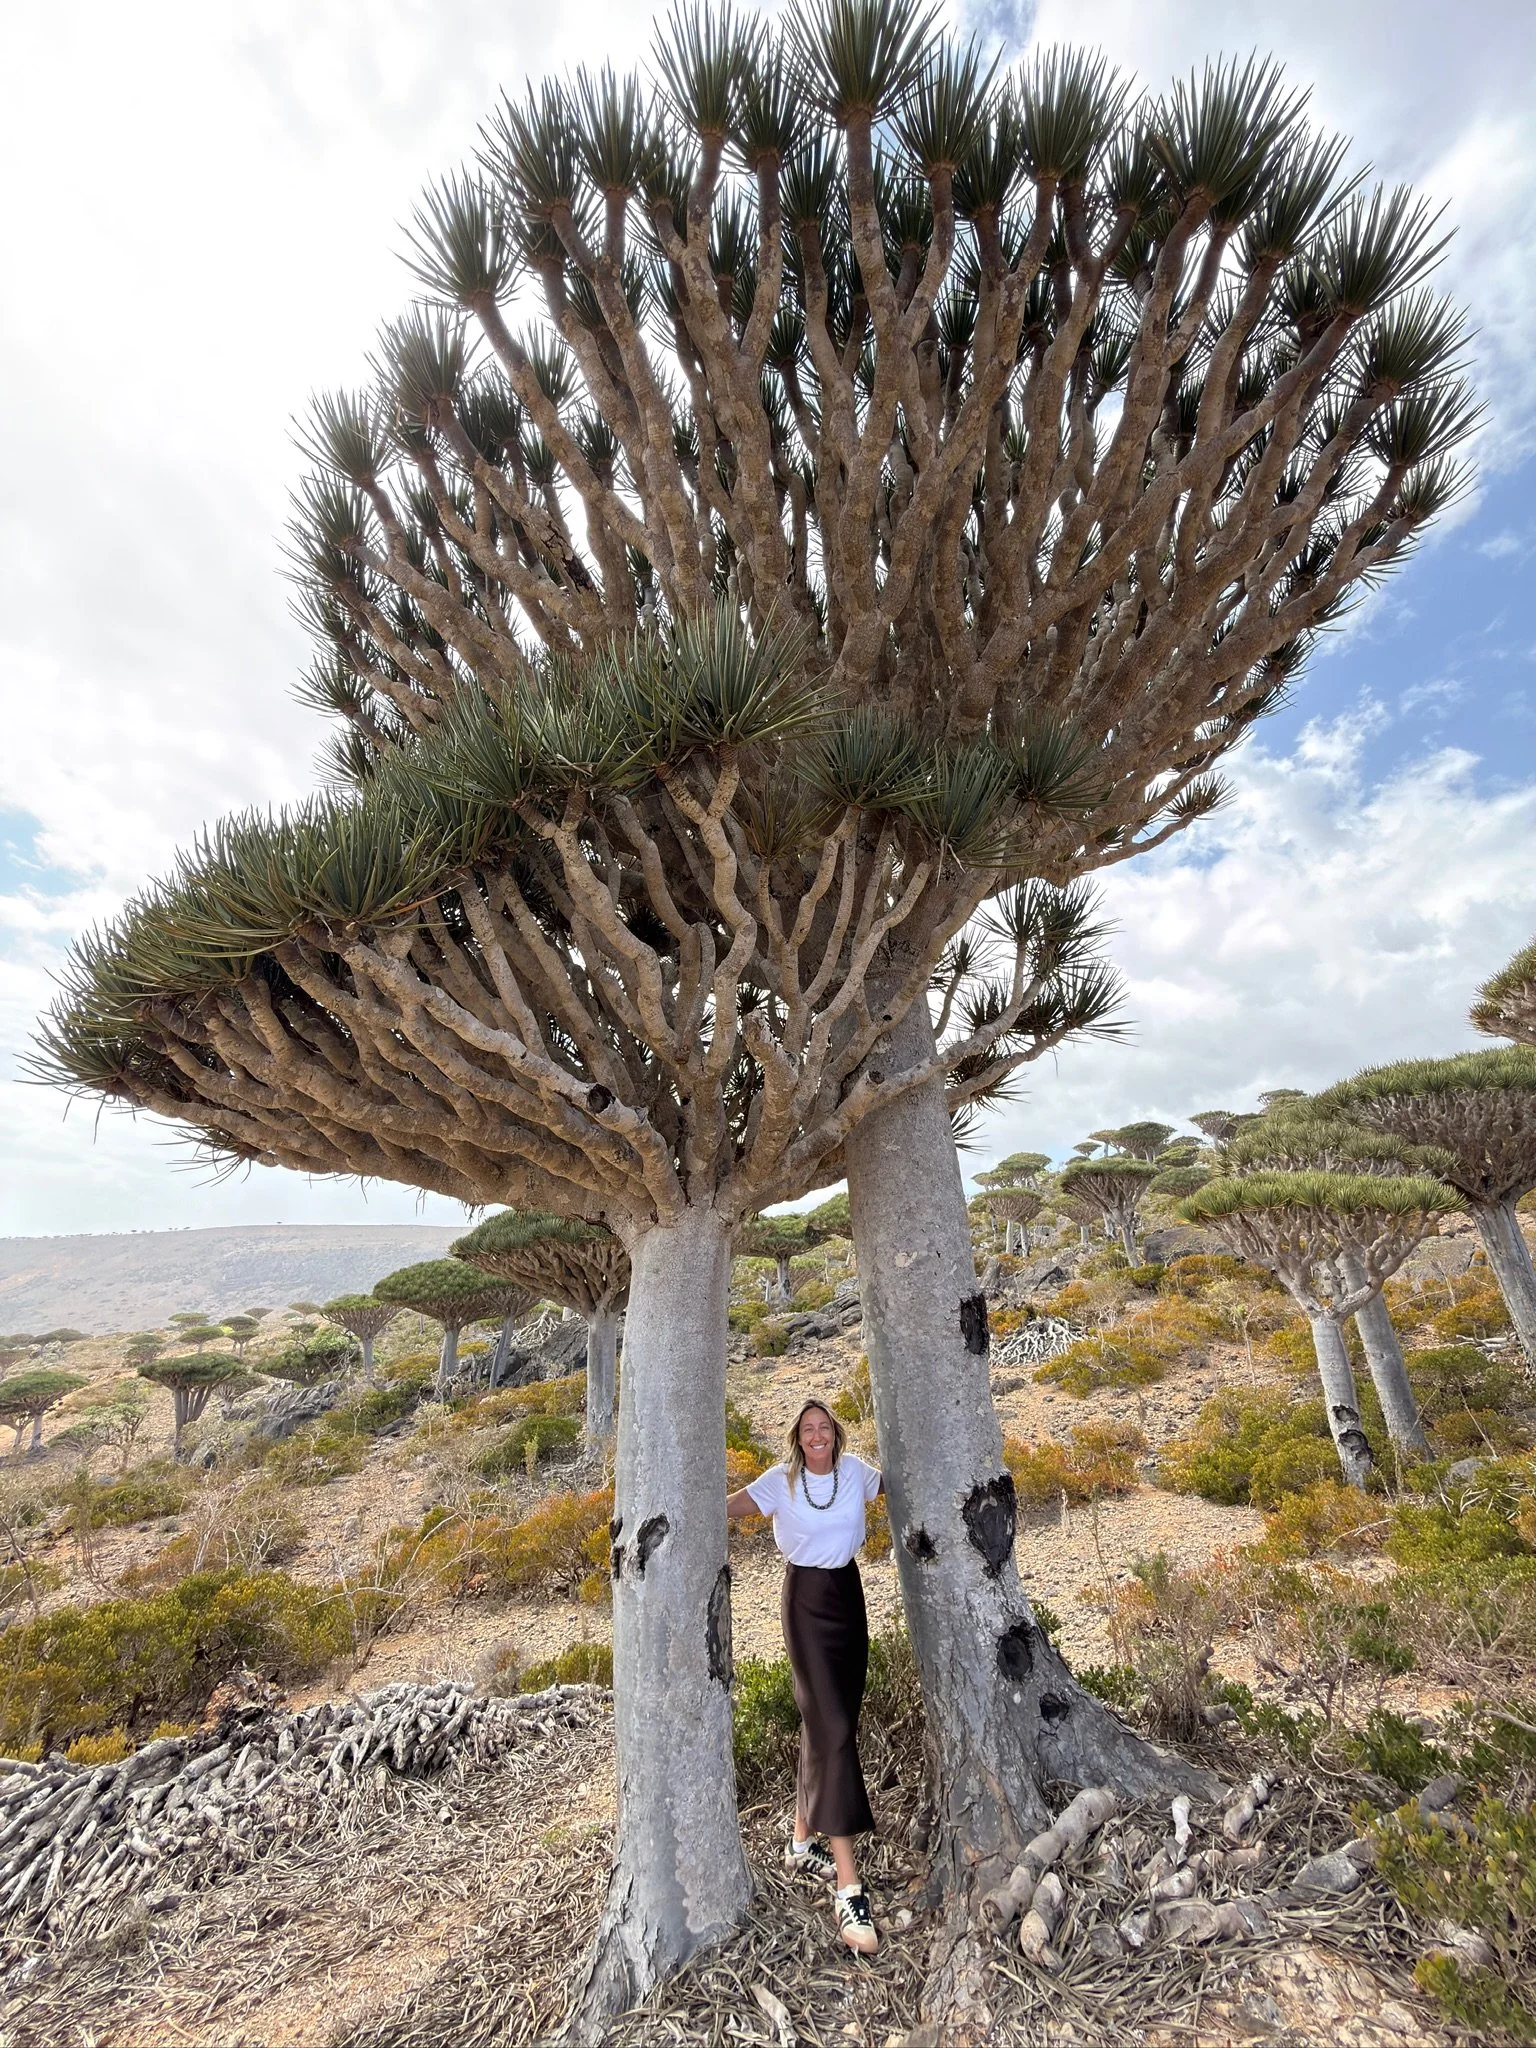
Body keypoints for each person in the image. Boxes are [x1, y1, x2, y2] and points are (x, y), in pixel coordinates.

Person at [727, 1396, 883, 1955]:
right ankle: (849, 1887)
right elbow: (723, 1506)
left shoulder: (856, 1473)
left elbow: (899, 1481)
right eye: (807, 1429)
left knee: (827, 1725)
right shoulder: (778, 1481)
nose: (817, 1436)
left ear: (835, 1434)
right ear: (796, 1437)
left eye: (824, 1427)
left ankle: (800, 1842)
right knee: (835, 1731)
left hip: (848, 1596)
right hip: (805, 1605)